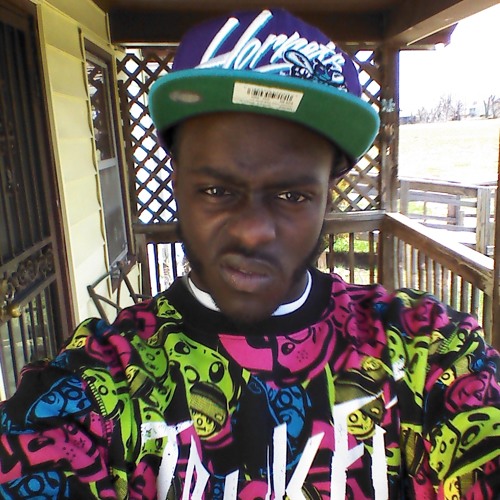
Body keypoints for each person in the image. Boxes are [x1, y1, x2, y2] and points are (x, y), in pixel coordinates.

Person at [0, 8, 499, 500]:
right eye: (217, 191)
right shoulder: (106, 378)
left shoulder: (424, 351)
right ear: (177, 184)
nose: (254, 232)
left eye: (292, 195)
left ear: (328, 196)